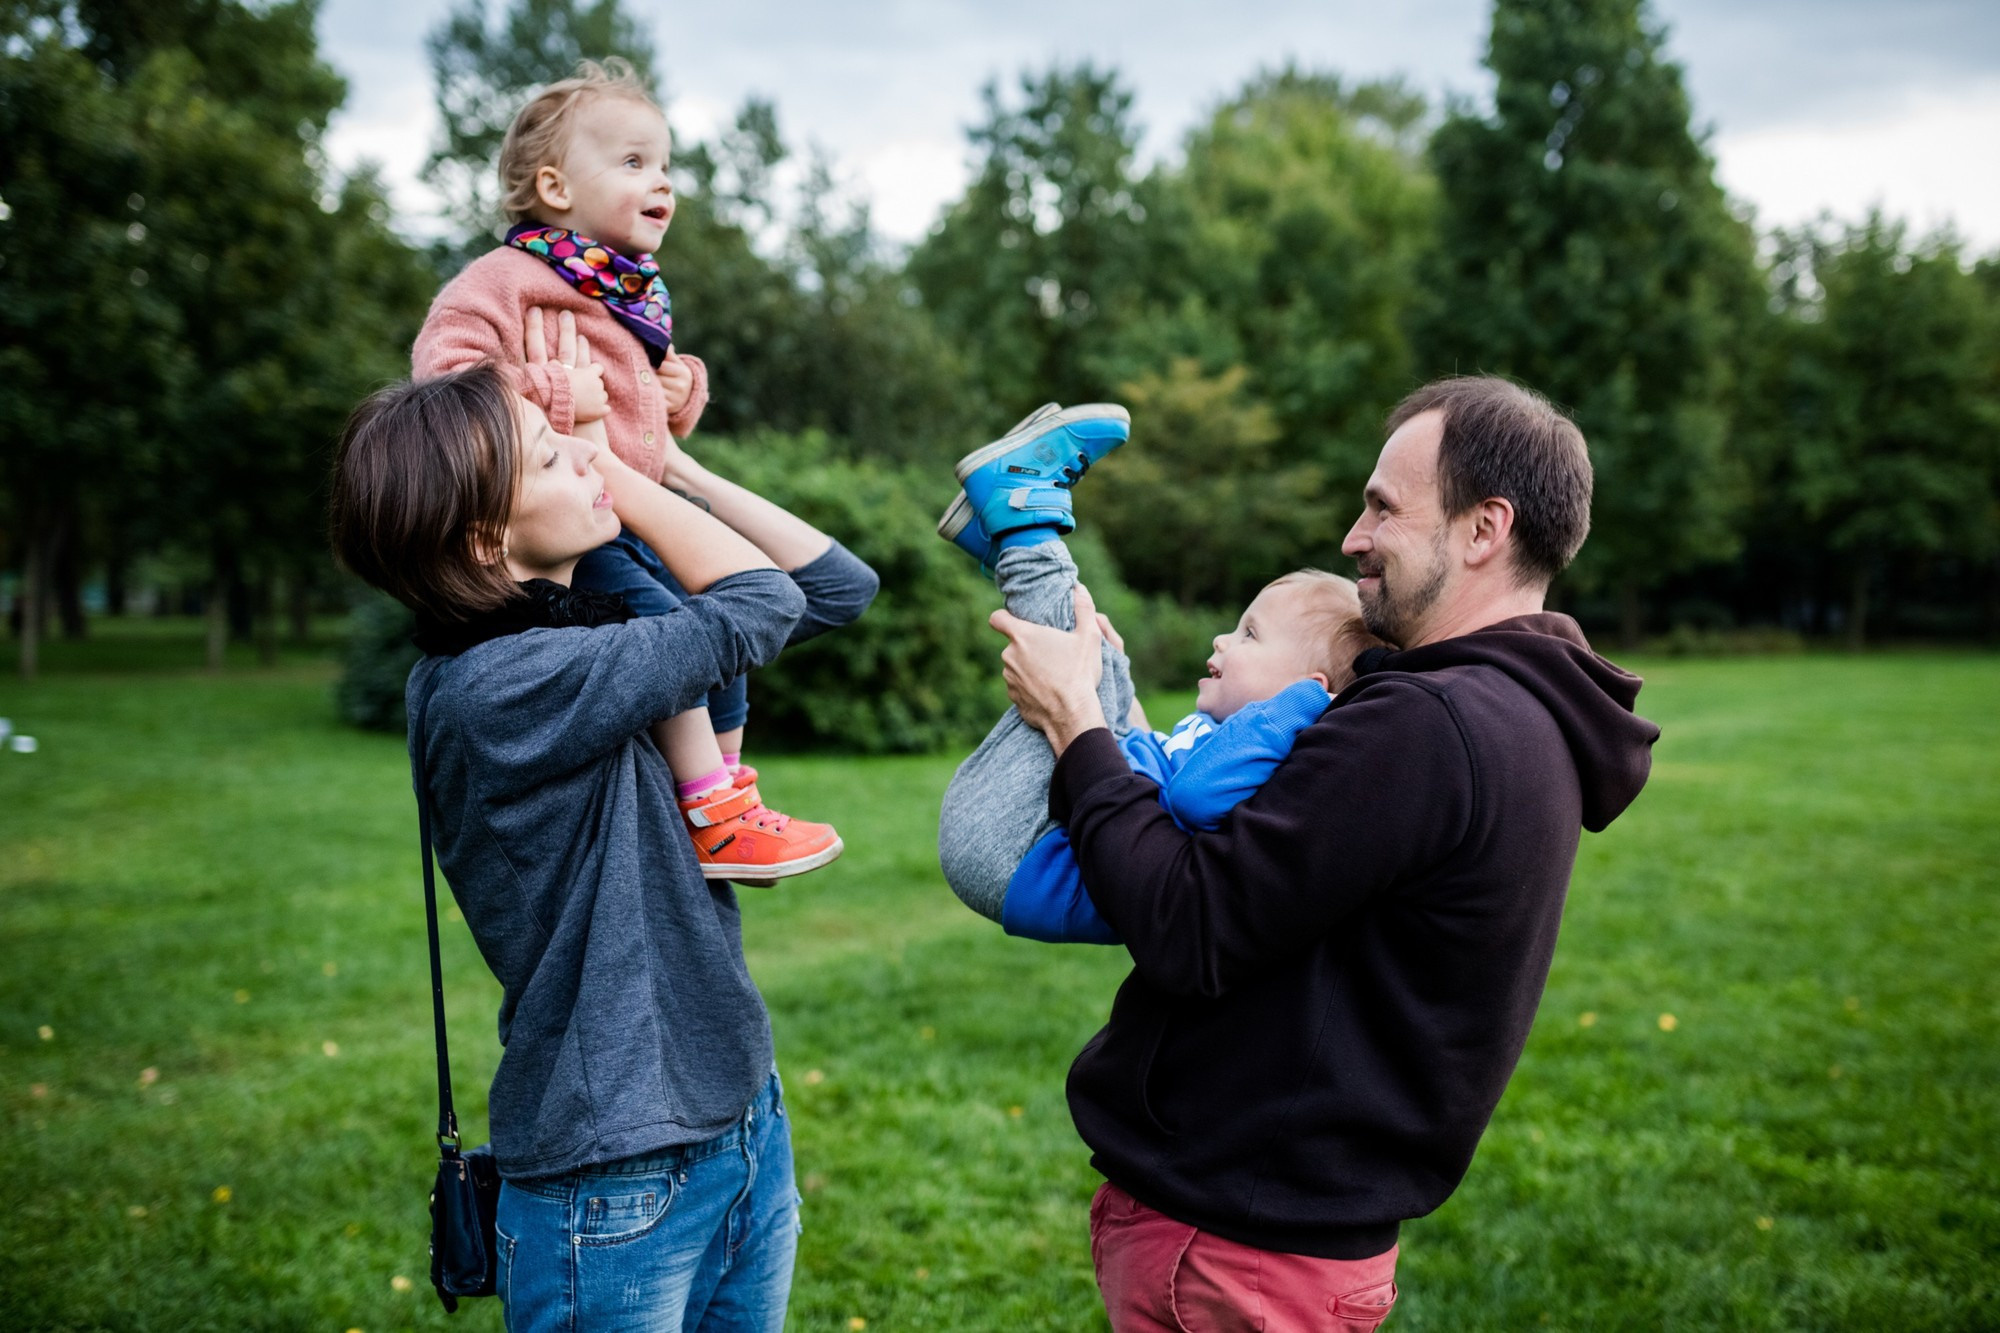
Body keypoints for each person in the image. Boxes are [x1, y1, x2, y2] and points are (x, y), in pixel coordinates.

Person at [988, 376, 1661, 1331]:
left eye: (1383, 506)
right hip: (1281, 1241)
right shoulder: (1515, 712)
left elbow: (1189, 923)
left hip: (1238, 1254)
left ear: (1484, 528)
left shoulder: (1428, 725)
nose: (1354, 536)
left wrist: (1078, 726)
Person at [328, 346, 827, 1330]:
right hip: (614, 1177)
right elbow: (762, 600)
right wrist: (637, 480)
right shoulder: (505, 682)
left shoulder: (572, 645)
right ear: (481, 539)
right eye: (550, 459)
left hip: (734, 1116)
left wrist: (595, 467)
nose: (583, 457)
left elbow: (822, 592)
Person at [413, 57, 873, 882]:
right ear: (554, 188)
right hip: (579, 523)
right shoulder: (507, 281)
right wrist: (557, 388)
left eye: (664, 164)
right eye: (632, 162)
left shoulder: (622, 293)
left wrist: (678, 385)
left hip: (639, 511)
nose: (660, 181)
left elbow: (639, 417)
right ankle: (717, 813)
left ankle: (724, 799)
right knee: (679, 638)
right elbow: (444, 383)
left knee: (721, 649)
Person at [934, 405, 1385, 944]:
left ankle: (1020, 518)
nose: (1223, 639)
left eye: (1250, 636)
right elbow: (1141, 753)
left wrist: (1296, 708)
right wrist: (1115, 671)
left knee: (1082, 658)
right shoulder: (1231, 737)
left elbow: (1190, 798)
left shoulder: (1265, 749)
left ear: (1303, 690)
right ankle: (1004, 541)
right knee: (1096, 649)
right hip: (1030, 835)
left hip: (1020, 848)